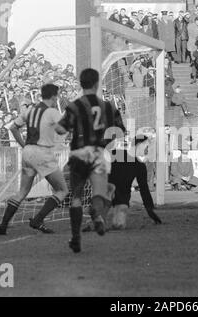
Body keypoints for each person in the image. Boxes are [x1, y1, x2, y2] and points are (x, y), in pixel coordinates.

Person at [55, 68, 126, 253]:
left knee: (76, 196)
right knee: (100, 192)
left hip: (79, 153)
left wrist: (70, 127)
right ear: (97, 84)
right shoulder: (109, 107)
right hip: (98, 153)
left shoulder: (74, 106)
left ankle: (76, 238)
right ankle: (96, 215)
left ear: (81, 83)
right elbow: (120, 130)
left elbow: (60, 130)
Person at [0, 84, 69, 235]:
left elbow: (13, 128)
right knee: (62, 190)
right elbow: (62, 130)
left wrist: (23, 145)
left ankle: (2, 226)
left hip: (28, 151)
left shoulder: (29, 110)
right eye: (57, 96)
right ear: (54, 96)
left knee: (22, 191)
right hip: (42, 152)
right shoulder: (52, 112)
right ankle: (38, 219)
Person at [107, 135, 162, 230]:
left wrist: (149, 209)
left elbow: (144, 188)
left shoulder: (140, 166)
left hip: (122, 199)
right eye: (146, 146)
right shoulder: (116, 154)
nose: (147, 150)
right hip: (106, 193)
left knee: (119, 225)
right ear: (139, 145)